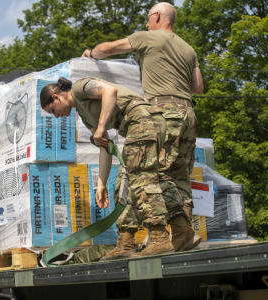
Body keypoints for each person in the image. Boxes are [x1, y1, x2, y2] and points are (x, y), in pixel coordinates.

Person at [81, 2, 204, 252]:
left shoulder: (148, 38)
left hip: (162, 113)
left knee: (147, 172)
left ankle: (152, 239)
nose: (146, 24)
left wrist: (91, 55)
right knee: (178, 175)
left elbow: (107, 48)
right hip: (188, 115)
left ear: (157, 16)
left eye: (148, 18)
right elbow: (198, 87)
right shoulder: (188, 48)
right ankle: (183, 235)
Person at [40, 77, 177, 260]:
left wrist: (102, 126)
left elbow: (109, 91)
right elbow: (104, 146)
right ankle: (136, 240)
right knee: (126, 182)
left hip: (142, 119)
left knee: (139, 180)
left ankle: (160, 239)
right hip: (139, 125)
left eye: (53, 111)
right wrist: (101, 183)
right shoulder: (84, 115)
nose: (56, 116)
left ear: (56, 97)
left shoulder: (80, 88)